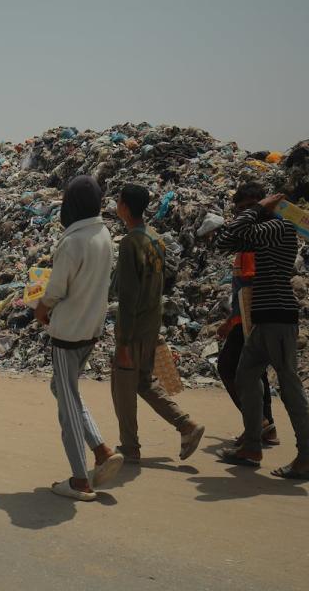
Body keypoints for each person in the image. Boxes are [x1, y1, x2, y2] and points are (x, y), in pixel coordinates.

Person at [215, 184, 309, 480]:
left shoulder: (278, 227)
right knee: (245, 377)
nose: (244, 213)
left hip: (278, 317)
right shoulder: (263, 232)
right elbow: (225, 241)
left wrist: (258, 209)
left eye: (249, 207)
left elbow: (227, 236)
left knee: (289, 386)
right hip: (261, 319)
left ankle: (308, 455)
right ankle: (251, 446)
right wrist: (255, 210)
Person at [35, 175, 124, 501]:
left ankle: (80, 480)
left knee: (67, 405)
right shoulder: (103, 234)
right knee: (62, 388)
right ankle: (101, 451)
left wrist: (40, 308)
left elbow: (57, 289)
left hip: (69, 332)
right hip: (91, 329)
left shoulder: (73, 241)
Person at [111, 184, 205, 463]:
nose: (116, 206)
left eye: (118, 201)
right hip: (151, 323)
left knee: (122, 387)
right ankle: (186, 425)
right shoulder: (156, 239)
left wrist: (124, 342)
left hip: (135, 327)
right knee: (143, 382)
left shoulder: (131, 243)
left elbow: (127, 297)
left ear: (125, 207)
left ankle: (130, 447)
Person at [214, 182, 279, 446]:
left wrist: (232, 321)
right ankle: (267, 428)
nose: (243, 214)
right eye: (239, 209)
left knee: (229, 369)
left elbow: (251, 289)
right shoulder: (253, 239)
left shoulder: (255, 241)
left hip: (250, 320)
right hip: (253, 318)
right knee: (257, 374)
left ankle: (258, 424)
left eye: (249, 208)